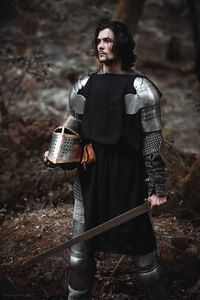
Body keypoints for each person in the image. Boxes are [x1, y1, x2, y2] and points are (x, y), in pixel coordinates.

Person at [44, 21, 169, 300]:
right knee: (79, 258)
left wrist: (157, 186)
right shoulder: (84, 85)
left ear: (121, 44)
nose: (101, 45)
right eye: (99, 41)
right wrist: (57, 153)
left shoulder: (141, 88)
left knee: (145, 260)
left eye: (108, 41)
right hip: (90, 175)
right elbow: (74, 124)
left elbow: (152, 139)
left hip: (128, 178)